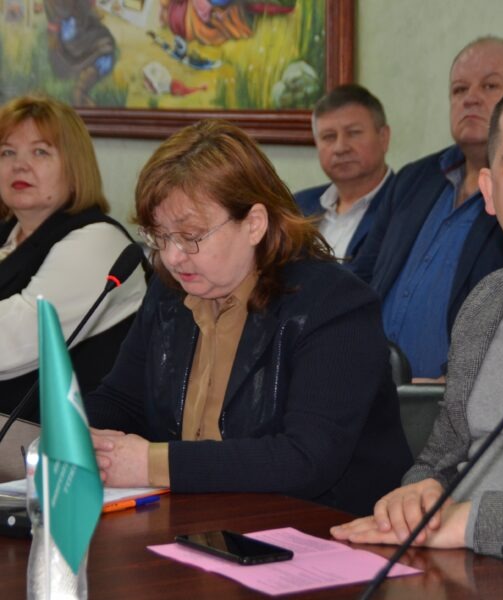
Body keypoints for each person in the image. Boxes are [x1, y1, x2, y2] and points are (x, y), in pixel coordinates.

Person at [332, 72, 503, 585]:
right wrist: (418, 493)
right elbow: (442, 456)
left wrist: (474, 522)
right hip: (453, 576)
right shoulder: (485, 301)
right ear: (490, 192)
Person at [85, 119, 412, 516]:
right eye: (160, 236)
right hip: (197, 523)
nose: (171, 257)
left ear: (254, 224)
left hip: (316, 531)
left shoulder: (334, 304)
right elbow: (122, 400)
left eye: (190, 237)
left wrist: (151, 463)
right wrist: (74, 435)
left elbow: (305, 458)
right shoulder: (169, 291)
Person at [351, 37, 503, 379]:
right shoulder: (413, 179)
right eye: (459, 89)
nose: (470, 98)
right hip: (372, 387)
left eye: (490, 86)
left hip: (464, 396)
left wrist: (459, 380)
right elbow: (362, 276)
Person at [0, 96, 147, 420]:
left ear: (75, 166)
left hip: (71, 442)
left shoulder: (98, 242)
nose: (19, 165)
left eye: (40, 152)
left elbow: (11, 342)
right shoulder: (8, 234)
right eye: (7, 152)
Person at [295, 84, 392, 261]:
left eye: (353, 133)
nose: (340, 148)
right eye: (329, 136)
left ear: (383, 137)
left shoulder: (407, 208)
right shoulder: (297, 207)